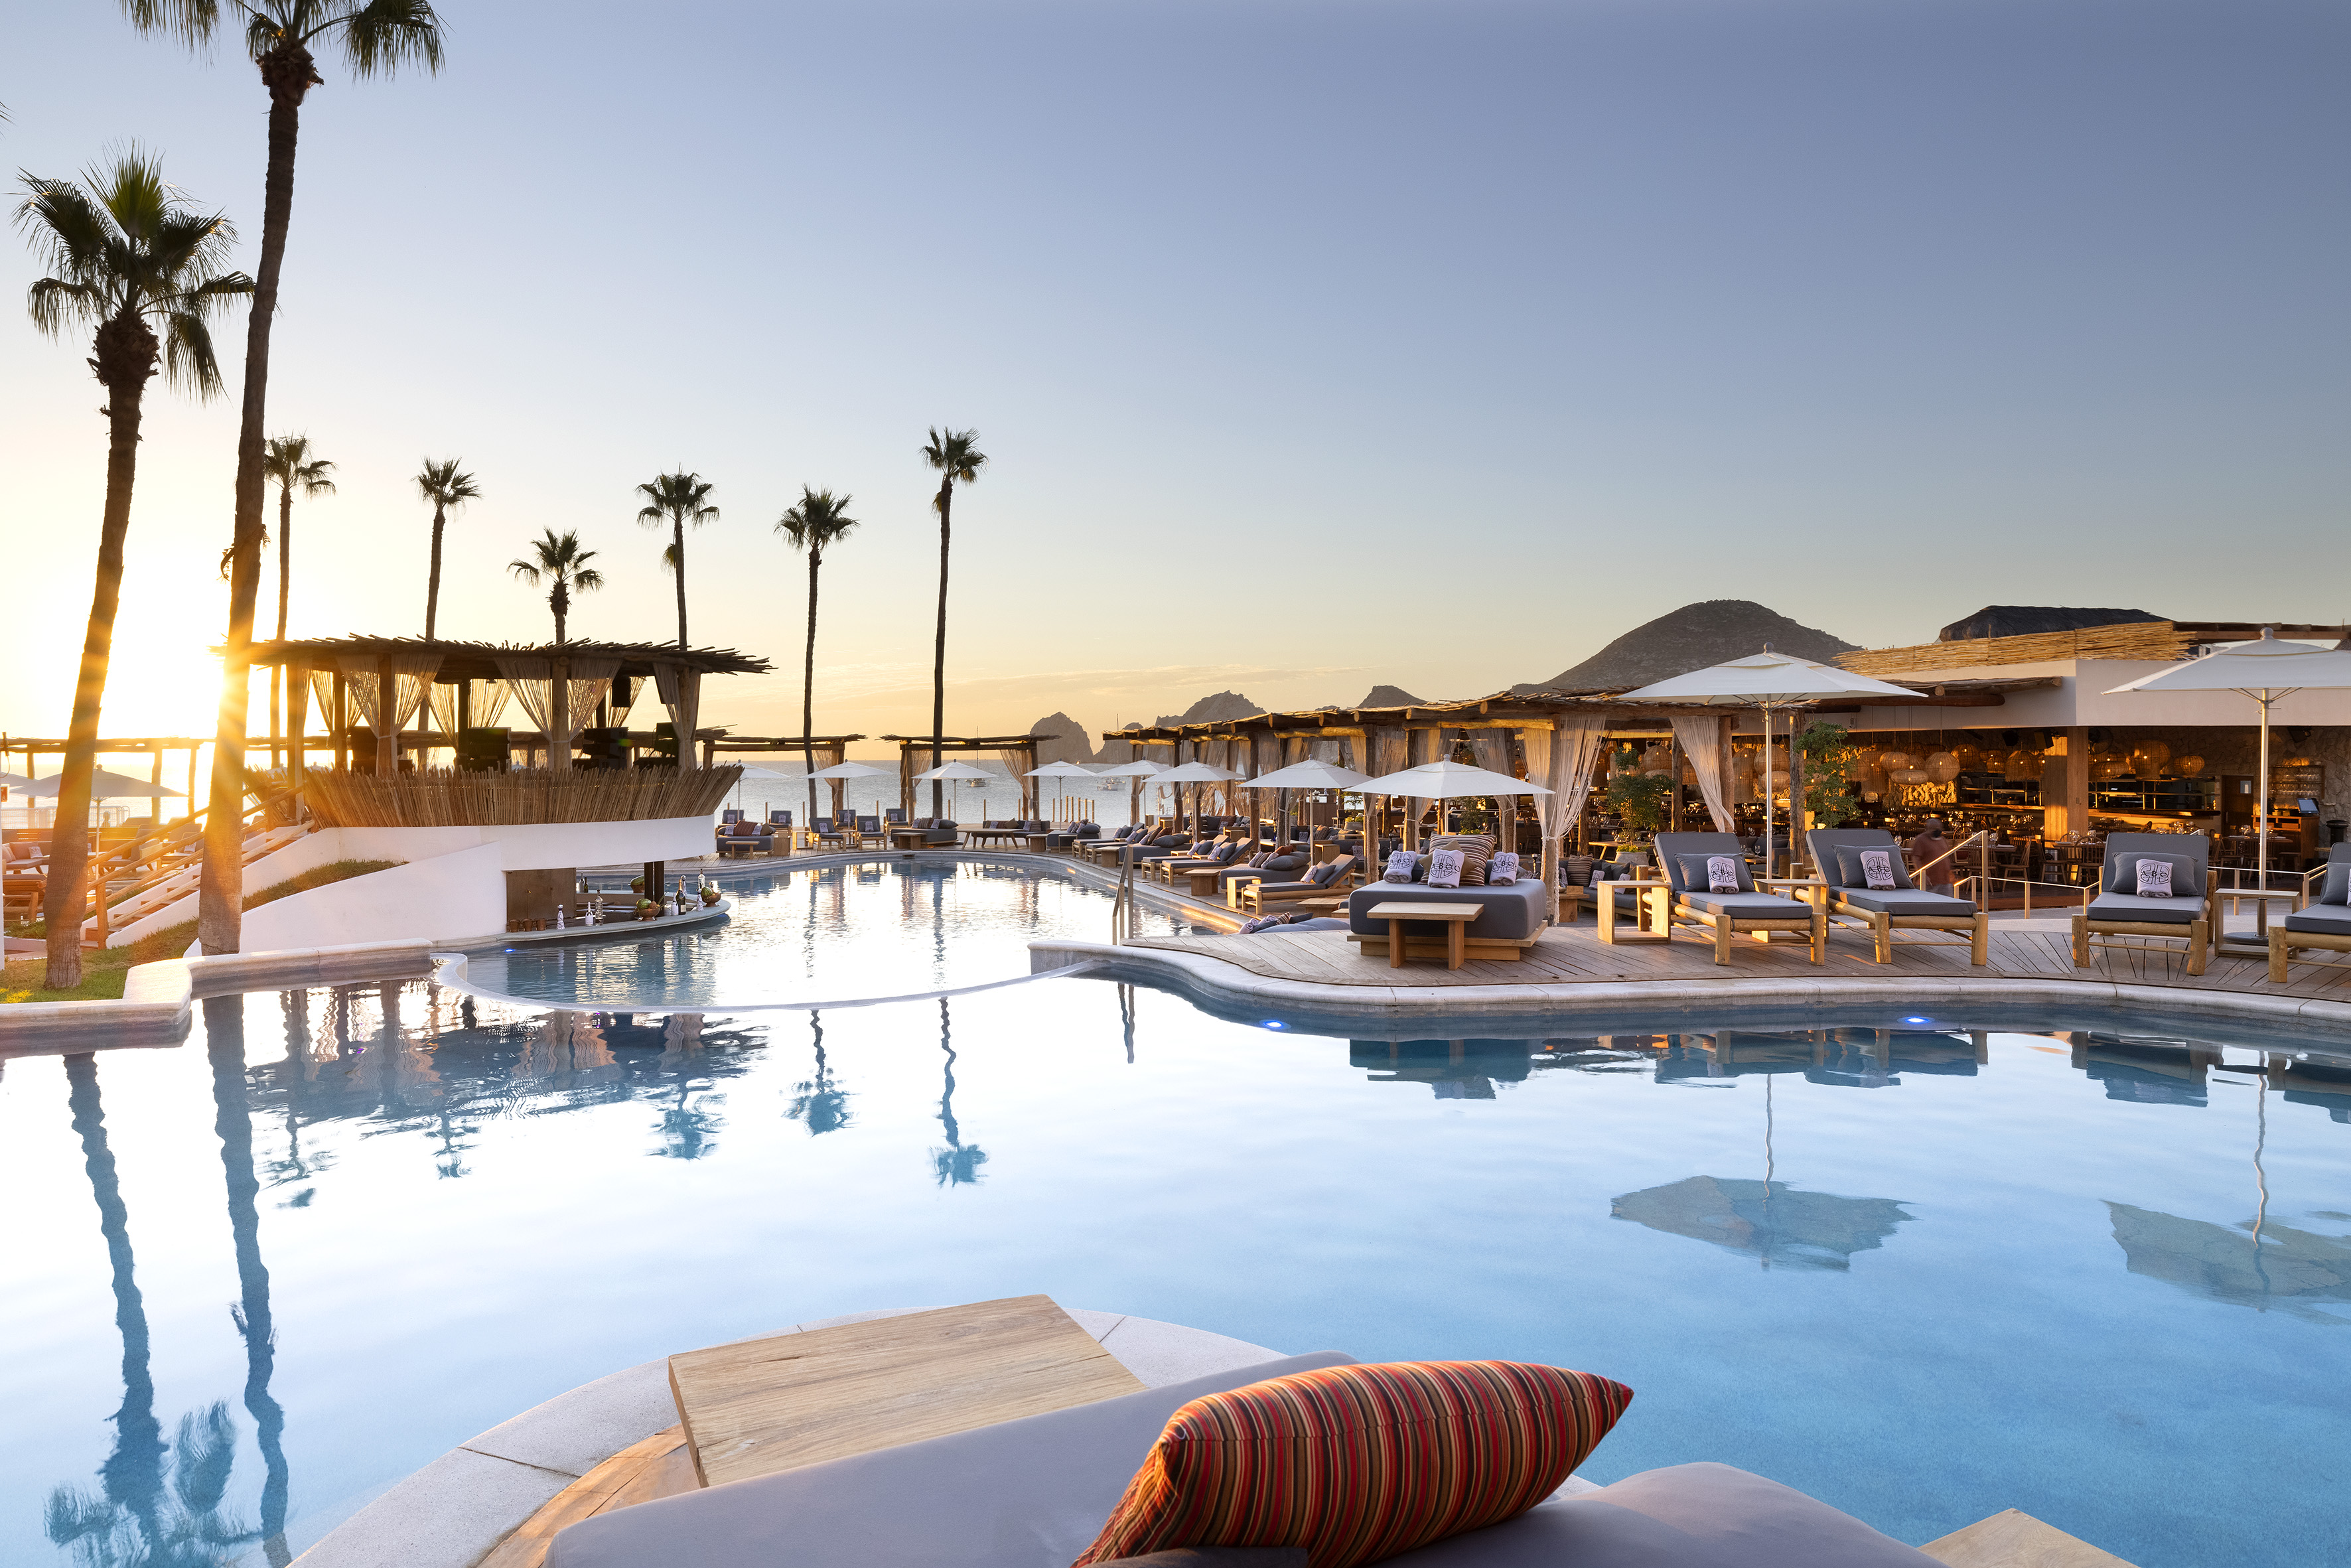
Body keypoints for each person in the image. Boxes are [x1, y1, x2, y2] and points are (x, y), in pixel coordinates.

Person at [1907, 818, 1956, 895]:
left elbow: (1946, 858)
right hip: (1930, 883)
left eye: (1939, 828)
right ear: (1928, 829)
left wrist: (1950, 873)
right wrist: (1923, 875)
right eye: (1935, 829)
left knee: (1948, 904)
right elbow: (1916, 859)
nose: (1937, 830)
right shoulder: (1921, 840)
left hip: (1945, 881)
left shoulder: (1942, 839)